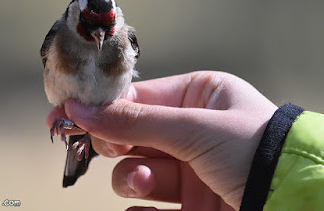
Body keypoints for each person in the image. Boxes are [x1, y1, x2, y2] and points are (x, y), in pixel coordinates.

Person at [47, 71, 324, 211]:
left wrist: (266, 166)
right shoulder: (59, 38)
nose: (99, 40)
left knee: (133, 174)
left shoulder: (123, 39)